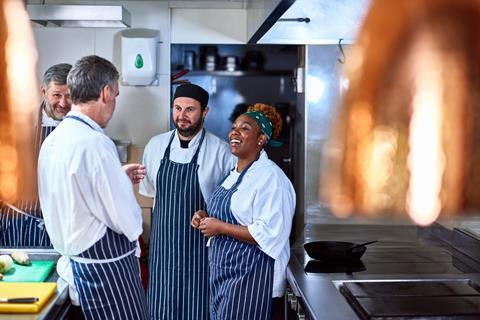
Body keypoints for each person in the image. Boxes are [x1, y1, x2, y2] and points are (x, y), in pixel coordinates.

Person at [38, 55, 148, 320]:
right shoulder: (95, 143)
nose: (114, 103)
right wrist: (119, 185)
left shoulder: (55, 140)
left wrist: (116, 177)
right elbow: (128, 222)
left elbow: (74, 193)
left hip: (78, 266)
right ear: (106, 92)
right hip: (107, 278)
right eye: (116, 95)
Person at [191, 103, 295, 320]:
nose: (234, 132)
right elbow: (234, 214)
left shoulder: (272, 179)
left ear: (261, 139)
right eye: (234, 127)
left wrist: (219, 227)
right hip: (225, 277)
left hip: (253, 280)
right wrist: (205, 216)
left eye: (245, 128)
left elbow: (269, 234)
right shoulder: (233, 174)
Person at [139, 83, 235, 319]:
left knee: (199, 310)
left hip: (201, 253)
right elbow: (151, 193)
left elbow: (230, 205)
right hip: (162, 252)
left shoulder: (222, 152)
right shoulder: (155, 146)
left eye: (190, 110)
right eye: (177, 108)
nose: (182, 116)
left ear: (205, 112)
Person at [0, 63, 72, 247]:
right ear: (43, 91)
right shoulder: (20, 125)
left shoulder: (81, 128)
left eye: (69, 96)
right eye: (56, 95)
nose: (63, 103)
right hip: (19, 224)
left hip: (64, 226)